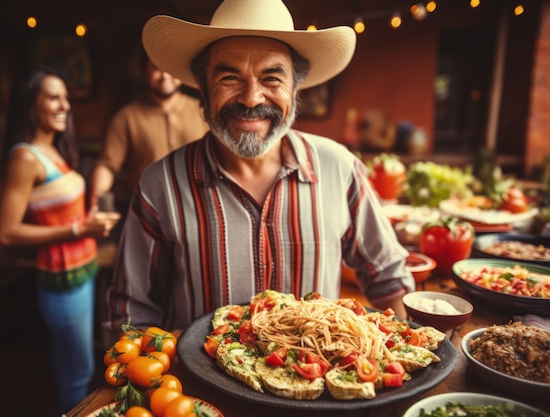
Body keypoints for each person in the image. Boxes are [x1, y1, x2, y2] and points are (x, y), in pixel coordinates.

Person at [106, 0, 415, 335]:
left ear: (296, 91)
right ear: (203, 90)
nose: (251, 98)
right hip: (198, 387)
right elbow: (130, 314)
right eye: (229, 77)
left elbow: (388, 277)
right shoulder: (159, 185)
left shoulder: (340, 170)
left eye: (271, 78)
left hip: (318, 382)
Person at [0, 67, 120, 413]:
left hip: (81, 274)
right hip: (62, 283)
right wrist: (80, 230)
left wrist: (88, 217)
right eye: (53, 97)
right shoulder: (25, 157)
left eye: (66, 97)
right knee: (76, 372)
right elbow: (6, 232)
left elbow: (58, 209)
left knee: (77, 365)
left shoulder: (54, 151)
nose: (65, 104)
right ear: (30, 104)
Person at [89, 52, 208, 211]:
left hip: (199, 208)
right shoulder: (127, 117)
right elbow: (107, 166)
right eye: (156, 68)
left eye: (169, 68)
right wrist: (98, 207)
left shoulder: (203, 112)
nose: (165, 75)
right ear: (144, 73)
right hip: (148, 211)